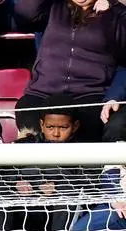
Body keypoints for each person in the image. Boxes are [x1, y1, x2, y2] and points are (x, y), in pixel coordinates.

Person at [0, 99, 80, 231]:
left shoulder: (85, 151)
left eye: (63, 128)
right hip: (23, 211)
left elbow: (86, 182)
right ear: (42, 125)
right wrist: (16, 181)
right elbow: (0, 173)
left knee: (70, 191)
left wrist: (57, 185)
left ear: (75, 126)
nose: (56, 133)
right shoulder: (23, 145)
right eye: (51, 127)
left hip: (57, 215)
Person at [13, 0, 126, 143]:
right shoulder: (53, 6)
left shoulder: (117, 13)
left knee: (90, 127)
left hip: (90, 94)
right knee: (28, 116)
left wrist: (110, 12)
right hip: (43, 92)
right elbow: (25, 11)